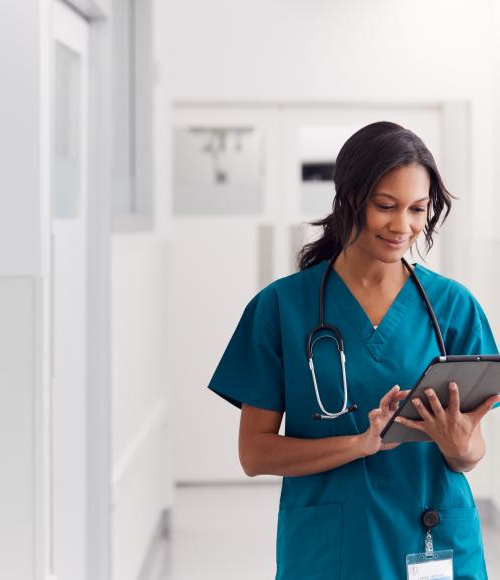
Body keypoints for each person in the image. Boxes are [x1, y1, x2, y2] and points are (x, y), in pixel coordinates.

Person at [206, 121, 500, 579]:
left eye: (417, 209)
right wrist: (360, 444)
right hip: (332, 546)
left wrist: (460, 444)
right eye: (386, 206)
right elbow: (255, 454)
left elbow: (470, 450)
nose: (402, 226)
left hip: (432, 535)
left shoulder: (453, 307)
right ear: (349, 199)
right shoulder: (282, 307)